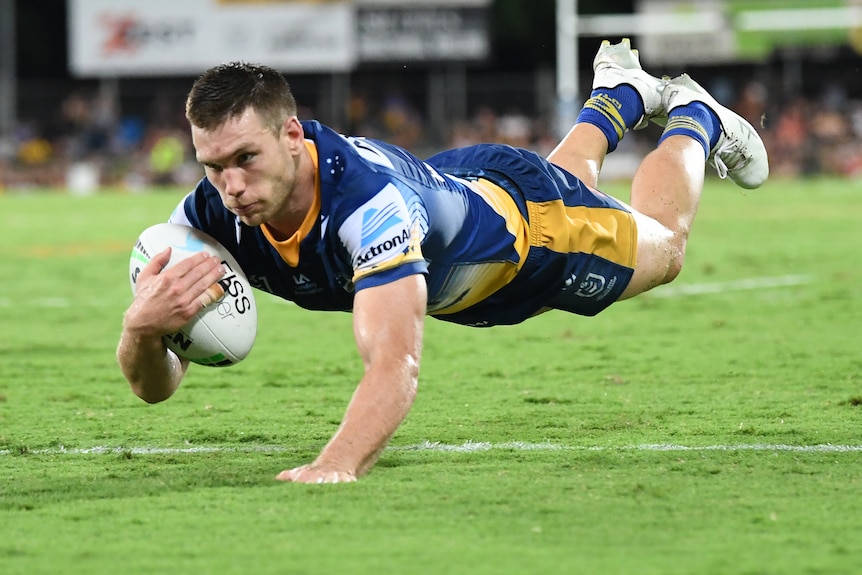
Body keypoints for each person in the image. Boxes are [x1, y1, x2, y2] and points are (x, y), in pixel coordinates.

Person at [117, 39, 769, 484]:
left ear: (292, 135)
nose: (230, 185)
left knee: (665, 246)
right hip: (459, 196)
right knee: (575, 183)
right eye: (214, 166)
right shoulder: (204, 218)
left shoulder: (369, 210)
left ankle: (694, 116)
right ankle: (620, 94)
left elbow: (395, 362)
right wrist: (141, 328)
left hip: (530, 234)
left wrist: (336, 463)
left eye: (245, 160)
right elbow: (157, 385)